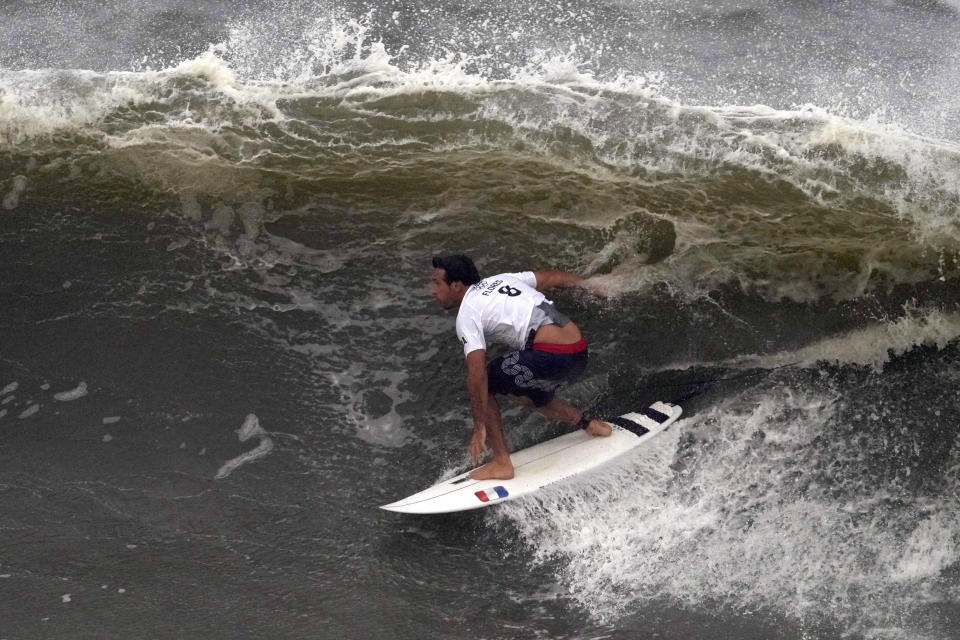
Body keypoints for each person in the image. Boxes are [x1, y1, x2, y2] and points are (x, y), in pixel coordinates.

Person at [430, 254, 611, 481]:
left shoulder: (468, 314)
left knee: (485, 383)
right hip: (578, 351)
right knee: (523, 391)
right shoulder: (503, 279)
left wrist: (479, 427)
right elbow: (551, 277)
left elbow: (476, 375)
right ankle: (590, 425)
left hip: (553, 354)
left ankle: (502, 463)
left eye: (438, 283)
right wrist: (590, 285)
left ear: (456, 285)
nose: (433, 291)